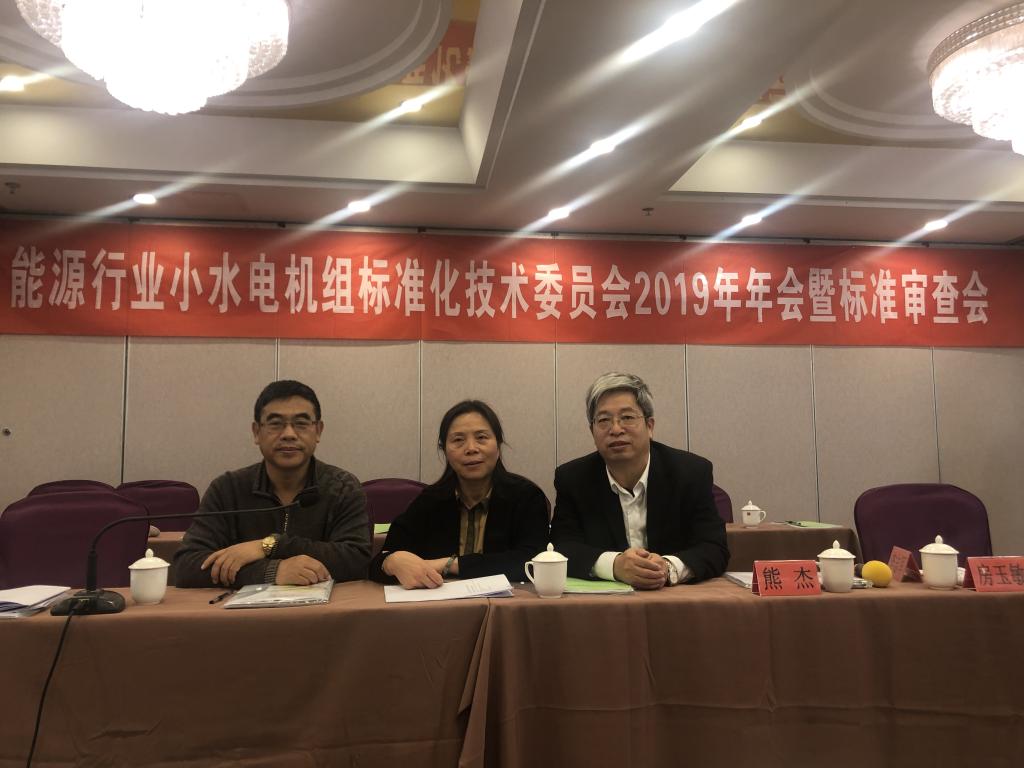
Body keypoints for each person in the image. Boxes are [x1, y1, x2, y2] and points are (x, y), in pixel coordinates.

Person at [174, 380, 370, 588]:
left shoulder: (343, 487)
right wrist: (272, 571)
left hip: (325, 608)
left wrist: (270, 545)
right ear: (256, 432)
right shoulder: (227, 488)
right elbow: (187, 566)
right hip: (241, 610)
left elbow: (356, 561)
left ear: (318, 431)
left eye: (301, 423)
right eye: (276, 423)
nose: (289, 434)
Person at [550, 372, 728, 588]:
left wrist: (668, 567)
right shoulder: (573, 479)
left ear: (649, 426)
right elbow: (562, 547)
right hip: (605, 604)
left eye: (627, 417)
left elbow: (714, 547)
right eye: (604, 420)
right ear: (592, 431)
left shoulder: (690, 472)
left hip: (675, 599)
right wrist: (614, 565)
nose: (616, 429)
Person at [369, 400, 550, 588]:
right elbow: (379, 561)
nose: (471, 448)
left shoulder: (526, 497)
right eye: (458, 440)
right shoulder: (430, 501)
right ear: (444, 450)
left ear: (498, 445)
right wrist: (391, 562)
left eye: (481, 437)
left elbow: (535, 561)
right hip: (440, 604)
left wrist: (450, 564)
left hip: (508, 603)